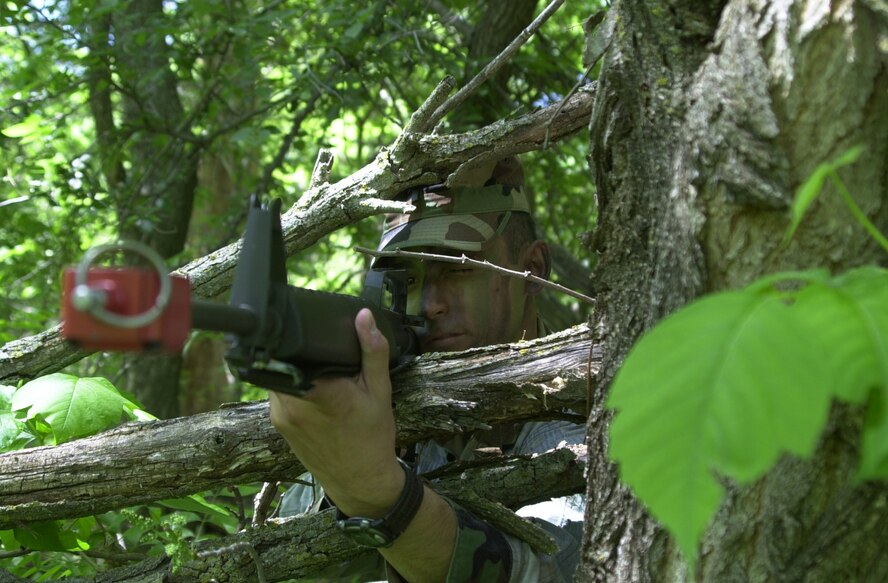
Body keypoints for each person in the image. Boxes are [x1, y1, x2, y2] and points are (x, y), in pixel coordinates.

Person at [269, 156, 584, 582]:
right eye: (409, 279)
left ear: (532, 271)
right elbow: (286, 563)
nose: (428, 303)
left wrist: (378, 494)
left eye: (455, 267)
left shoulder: (578, 408)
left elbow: (555, 569)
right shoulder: (397, 393)